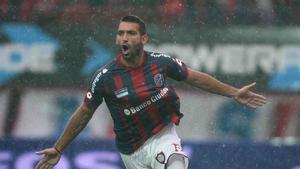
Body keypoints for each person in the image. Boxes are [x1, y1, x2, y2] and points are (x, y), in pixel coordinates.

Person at [35, 15, 267, 169]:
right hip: (131, 152)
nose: (124, 38)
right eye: (120, 33)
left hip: (162, 135)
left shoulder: (160, 63)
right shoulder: (105, 77)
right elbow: (84, 113)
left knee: (177, 162)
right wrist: (58, 148)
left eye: (130, 33)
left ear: (143, 39)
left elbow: (195, 77)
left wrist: (233, 92)